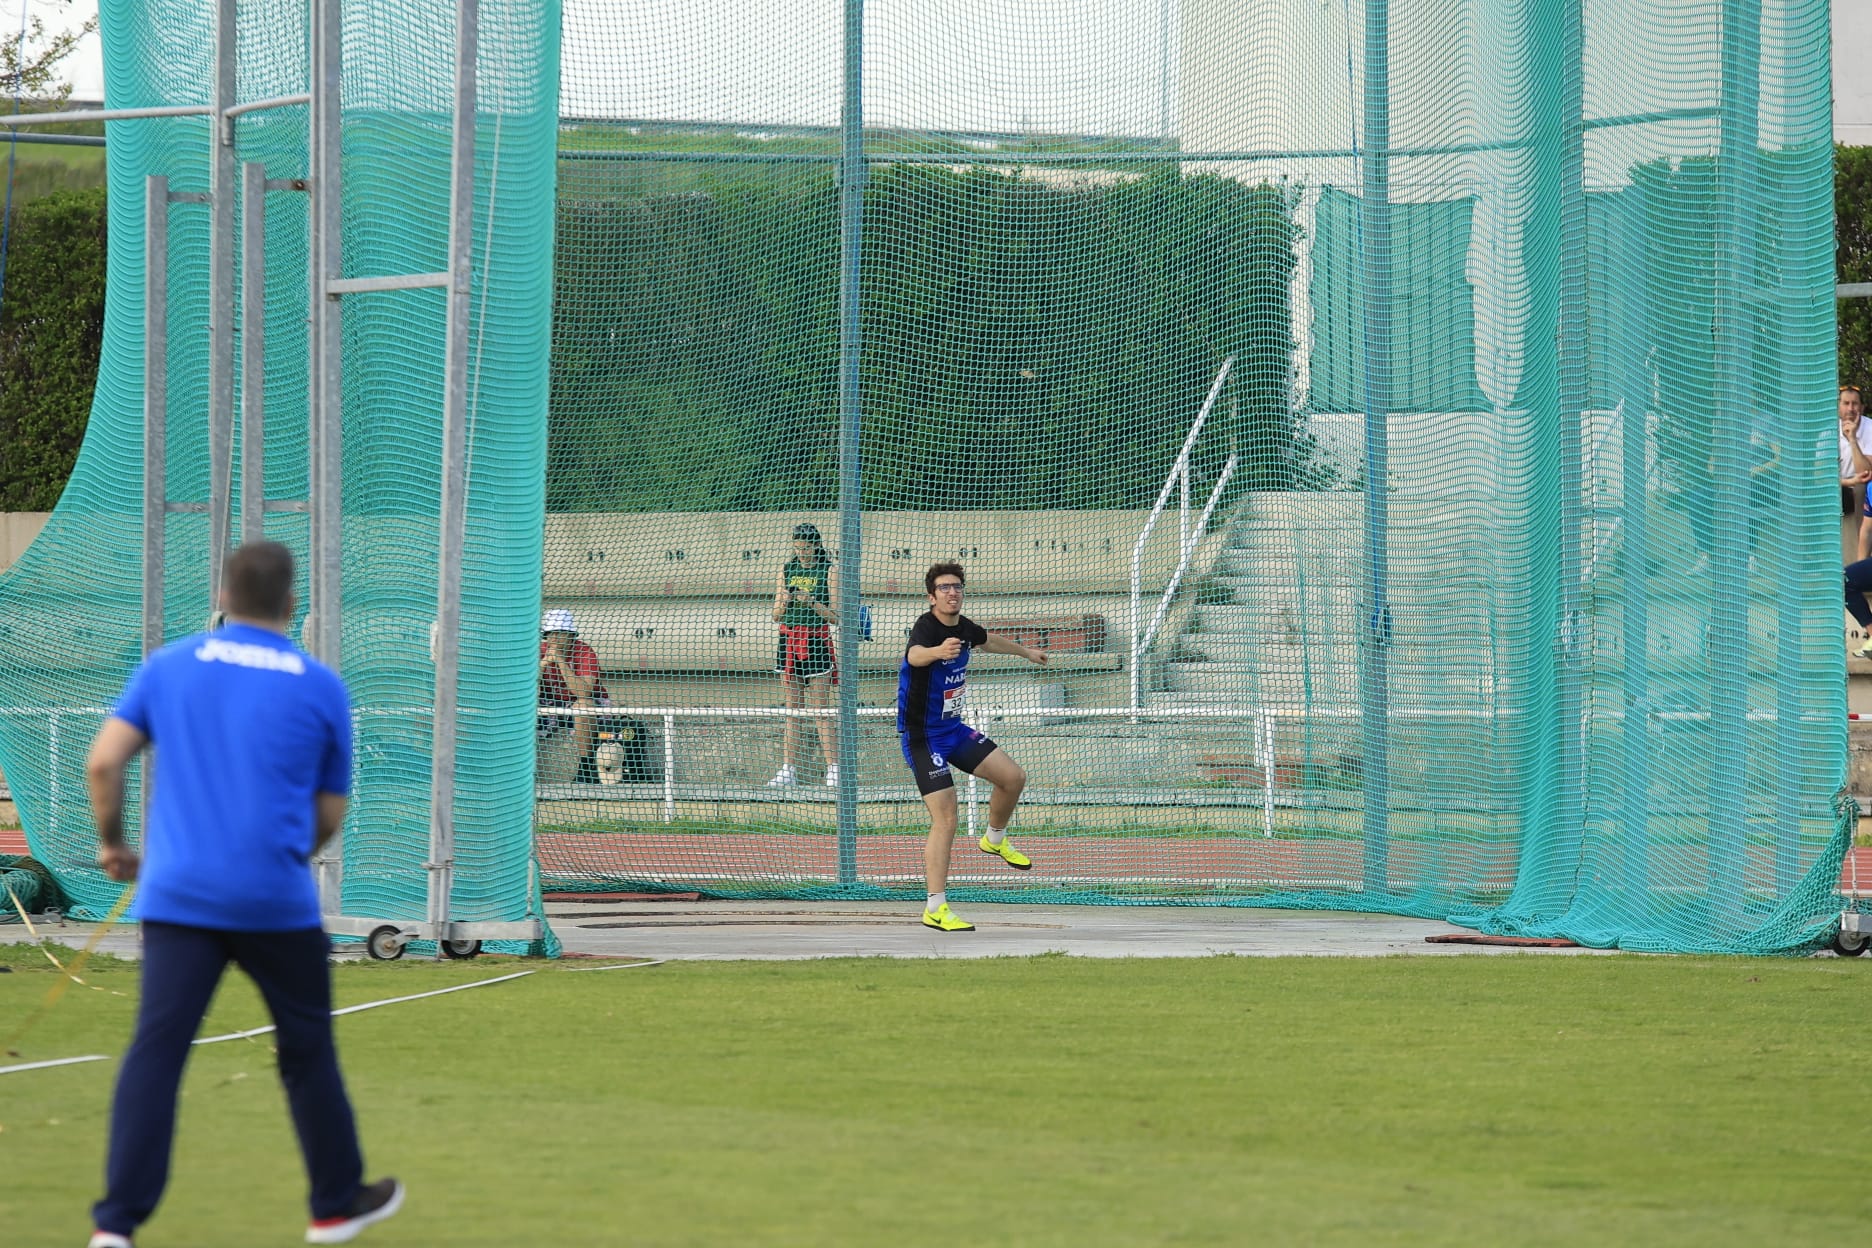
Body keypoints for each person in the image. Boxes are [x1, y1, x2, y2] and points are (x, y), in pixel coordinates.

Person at [81, 542, 401, 1248]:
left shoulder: (168, 666)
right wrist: (283, 853)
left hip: (178, 898)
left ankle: (116, 1226)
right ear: (291, 603)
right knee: (307, 1051)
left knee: (157, 1052)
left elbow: (104, 762)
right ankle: (334, 1205)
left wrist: (114, 845)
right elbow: (329, 813)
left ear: (222, 596)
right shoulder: (320, 685)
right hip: (274, 900)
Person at [898, 561, 1049, 932]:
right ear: (931, 596)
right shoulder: (926, 628)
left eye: (957, 586)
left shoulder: (964, 628)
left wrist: (1027, 653)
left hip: (953, 731)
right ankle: (935, 907)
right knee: (947, 819)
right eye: (944, 587)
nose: (952, 592)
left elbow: (989, 640)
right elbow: (914, 655)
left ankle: (994, 839)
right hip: (923, 737)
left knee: (1013, 778)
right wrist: (937, 652)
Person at [768, 522, 841, 788]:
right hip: (789, 641)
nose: (802, 553)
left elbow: (836, 617)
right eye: (797, 548)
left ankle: (834, 769)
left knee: (820, 709)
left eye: (806, 547)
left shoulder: (829, 570)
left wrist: (811, 602)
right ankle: (788, 769)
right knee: (792, 710)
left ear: (816, 545)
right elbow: (775, 615)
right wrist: (785, 602)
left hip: (816, 641)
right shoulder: (787, 569)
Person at [539, 607, 609, 783]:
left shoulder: (584, 651)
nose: (554, 638)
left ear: (571, 635)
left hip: (588, 704)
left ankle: (586, 769)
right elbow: (526, 688)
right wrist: (542, 665)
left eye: (560, 633)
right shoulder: (539, 650)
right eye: (550, 633)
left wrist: (561, 662)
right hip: (550, 703)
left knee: (582, 706)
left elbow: (583, 692)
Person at [1842, 386, 1872, 558]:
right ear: (1838, 407)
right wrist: (1847, 482)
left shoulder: (1870, 428)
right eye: (1846, 403)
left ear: (1862, 407)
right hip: (1839, 485)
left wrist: (1852, 439)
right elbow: (1821, 476)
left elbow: (1866, 472)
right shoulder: (1827, 431)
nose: (1851, 408)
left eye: (1855, 404)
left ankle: (1860, 559)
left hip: (1862, 486)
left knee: (1862, 488)